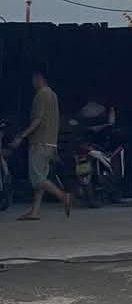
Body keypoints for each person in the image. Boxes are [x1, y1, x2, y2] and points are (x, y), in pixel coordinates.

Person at [12, 68, 72, 221]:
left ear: (39, 78)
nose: (32, 83)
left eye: (33, 79)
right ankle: (35, 211)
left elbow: (37, 120)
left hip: (39, 143)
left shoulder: (41, 94)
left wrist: (22, 136)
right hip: (50, 143)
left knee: (37, 179)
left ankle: (63, 196)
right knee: (41, 178)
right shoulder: (53, 95)